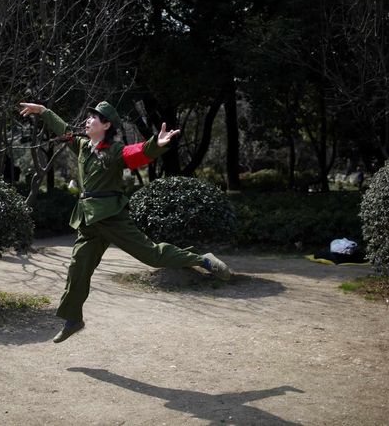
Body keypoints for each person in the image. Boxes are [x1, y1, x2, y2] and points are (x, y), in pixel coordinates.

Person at [19, 101, 233, 343]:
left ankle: (203, 259)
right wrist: (44, 111)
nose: (88, 121)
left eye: (94, 119)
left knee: (152, 256)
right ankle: (73, 319)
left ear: (106, 125)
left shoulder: (114, 150)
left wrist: (156, 145)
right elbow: (64, 128)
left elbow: (136, 153)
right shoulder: (82, 145)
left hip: (110, 217)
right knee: (77, 268)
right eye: (88, 117)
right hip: (88, 220)